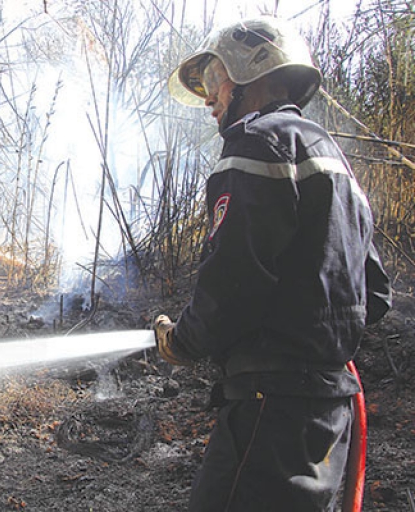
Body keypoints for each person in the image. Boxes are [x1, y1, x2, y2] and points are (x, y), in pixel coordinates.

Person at [154, 16, 392, 512]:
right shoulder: (333, 160)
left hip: (271, 408)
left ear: (251, 72)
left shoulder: (257, 143)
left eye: (214, 78)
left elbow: (233, 279)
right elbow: (375, 296)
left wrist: (183, 341)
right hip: (329, 416)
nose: (209, 98)